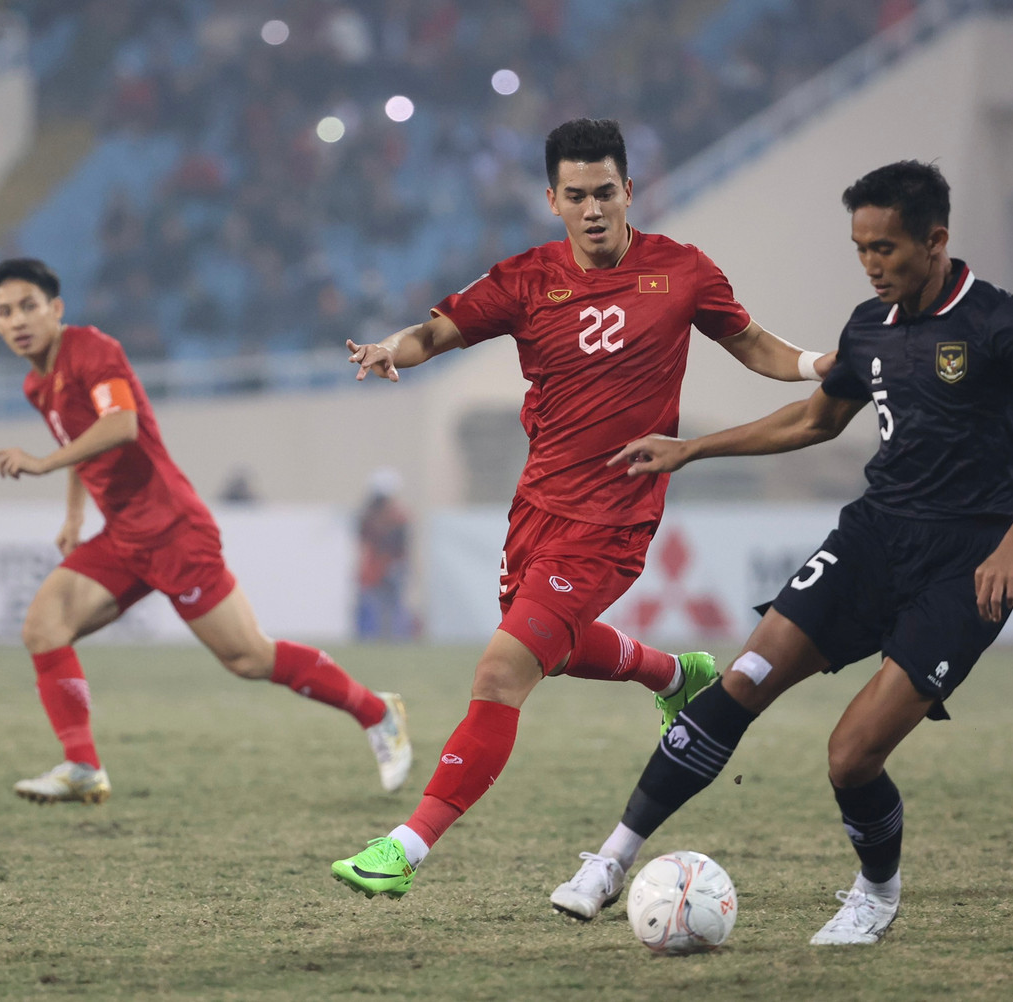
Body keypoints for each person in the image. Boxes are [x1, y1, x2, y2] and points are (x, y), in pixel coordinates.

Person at [549, 160, 1013, 944]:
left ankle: (876, 893)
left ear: (936, 239)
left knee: (849, 757)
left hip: (969, 562)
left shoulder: (1001, 323)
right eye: (860, 248)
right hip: (874, 536)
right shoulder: (868, 326)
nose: (873, 263)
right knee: (744, 677)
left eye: (886, 247)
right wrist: (694, 448)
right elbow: (814, 420)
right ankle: (610, 860)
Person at [329, 118, 835, 900]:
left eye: (607, 192)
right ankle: (676, 675)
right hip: (538, 506)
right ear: (552, 200)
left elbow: (753, 345)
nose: (594, 208)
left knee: (502, 670)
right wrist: (390, 350)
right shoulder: (529, 279)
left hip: (615, 518)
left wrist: (815, 363)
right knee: (554, 647)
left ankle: (407, 847)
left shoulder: (683, 271)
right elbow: (437, 331)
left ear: (629, 191)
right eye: (577, 196)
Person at [0, 258, 411, 804]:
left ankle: (377, 712)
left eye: (28, 306)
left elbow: (120, 426)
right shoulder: (35, 383)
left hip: (172, 529)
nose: (18, 320)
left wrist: (42, 463)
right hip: (123, 535)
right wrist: (73, 514)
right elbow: (81, 436)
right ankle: (82, 765)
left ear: (56, 309)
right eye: (4, 312)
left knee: (248, 658)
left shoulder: (92, 350)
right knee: (43, 627)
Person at [355, 467, 415, 641]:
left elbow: (399, 543)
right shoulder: (370, 515)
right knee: (376, 605)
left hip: (391, 565)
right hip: (377, 566)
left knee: (394, 605)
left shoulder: (396, 515)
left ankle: (396, 638)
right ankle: (377, 638)